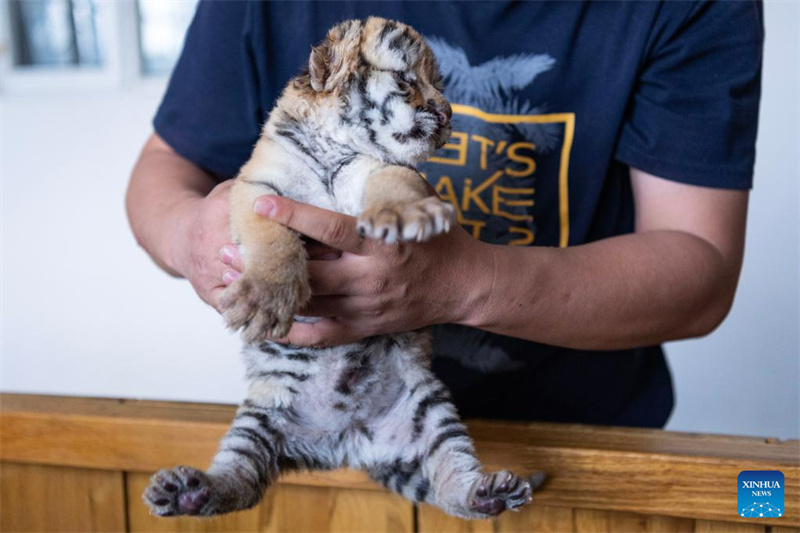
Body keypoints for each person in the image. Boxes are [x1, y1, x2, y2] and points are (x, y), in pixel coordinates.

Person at [126, 1, 763, 428]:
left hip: (580, 449)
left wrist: (458, 284)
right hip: (328, 442)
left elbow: (698, 269)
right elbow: (164, 169)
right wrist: (195, 237)